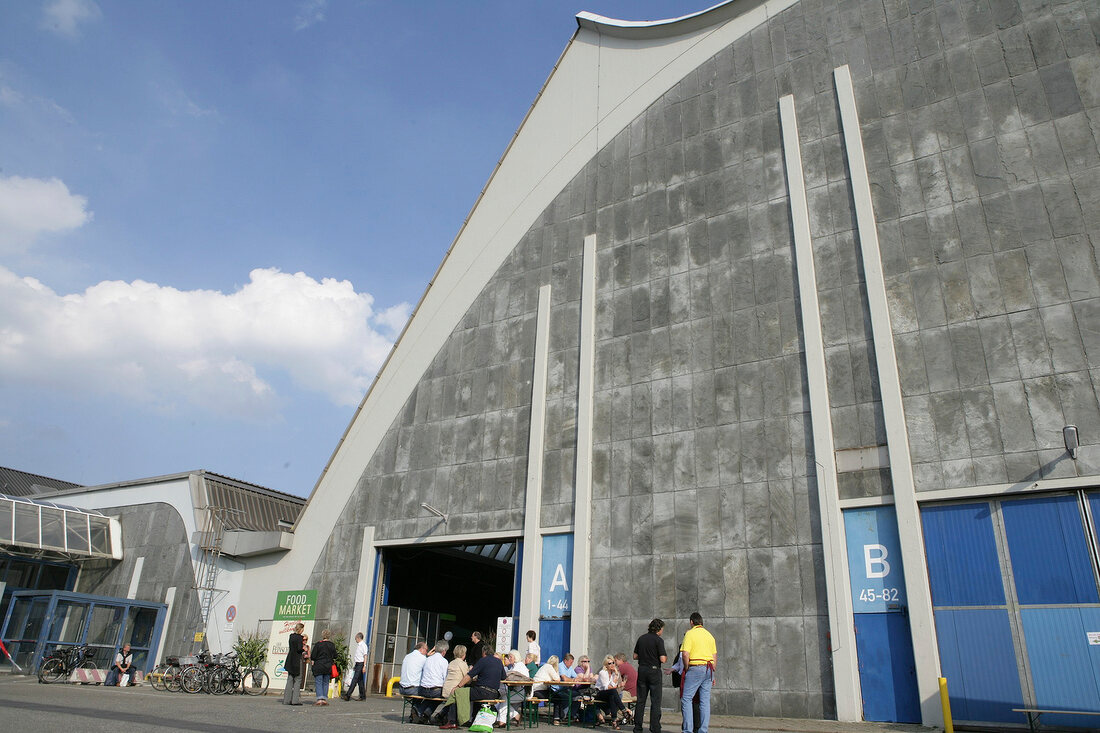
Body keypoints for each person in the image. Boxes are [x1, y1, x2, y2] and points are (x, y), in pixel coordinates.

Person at [438, 643, 505, 730]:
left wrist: (458, 686)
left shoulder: (482, 660)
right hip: (494, 693)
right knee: (474, 696)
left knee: (457, 692)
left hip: (482, 691)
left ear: (483, 652)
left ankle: (452, 721)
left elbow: (469, 675)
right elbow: (503, 677)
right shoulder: (499, 662)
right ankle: (473, 720)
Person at [679, 613, 716, 733]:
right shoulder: (709, 635)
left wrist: (687, 667)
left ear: (691, 622)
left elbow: (685, 654)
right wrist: (713, 673)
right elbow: (714, 656)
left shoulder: (690, 633)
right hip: (709, 668)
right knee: (704, 701)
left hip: (696, 666)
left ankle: (688, 730)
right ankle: (703, 730)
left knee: (686, 699)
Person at [632, 617, 667, 733]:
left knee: (641, 700)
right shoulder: (658, 640)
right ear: (659, 629)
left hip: (642, 670)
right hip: (654, 671)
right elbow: (663, 659)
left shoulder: (641, 638)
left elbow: (635, 656)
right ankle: (655, 727)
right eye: (662, 629)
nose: (662, 631)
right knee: (655, 701)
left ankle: (637, 727)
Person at [418, 640, 449, 719]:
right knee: (440, 697)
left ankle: (419, 710)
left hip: (423, 689)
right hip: (435, 690)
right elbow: (445, 677)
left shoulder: (427, 659)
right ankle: (427, 713)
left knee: (429, 698)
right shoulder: (444, 661)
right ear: (444, 651)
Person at [399, 641, 429, 722]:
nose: (426, 652)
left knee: (418, 686)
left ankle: (414, 713)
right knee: (429, 693)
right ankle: (417, 711)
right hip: (412, 689)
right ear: (422, 649)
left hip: (402, 688)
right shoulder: (423, 658)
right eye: (426, 650)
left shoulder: (407, 656)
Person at [595, 655, 628, 728]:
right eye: (609, 663)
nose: (612, 664)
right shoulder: (602, 672)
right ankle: (623, 710)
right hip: (600, 693)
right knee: (613, 692)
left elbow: (613, 687)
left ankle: (614, 721)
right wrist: (616, 683)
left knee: (612, 696)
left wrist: (616, 675)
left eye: (613, 662)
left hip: (610, 693)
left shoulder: (615, 673)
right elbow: (606, 687)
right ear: (606, 665)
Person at [310, 628, 337, 706]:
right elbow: (335, 655)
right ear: (329, 636)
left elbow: (313, 655)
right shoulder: (332, 645)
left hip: (319, 665)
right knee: (325, 682)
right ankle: (324, 699)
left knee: (319, 682)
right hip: (328, 666)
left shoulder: (318, 644)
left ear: (322, 635)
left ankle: (319, 699)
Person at [282, 623, 306, 706]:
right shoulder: (300, 638)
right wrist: (303, 649)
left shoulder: (291, 636)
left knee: (289, 679)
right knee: (298, 680)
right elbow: (299, 649)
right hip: (297, 660)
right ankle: (295, 700)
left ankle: (286, 700)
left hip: (290, 659)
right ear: (301, 629)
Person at [550, 654, 578, 724]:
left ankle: (571, 715)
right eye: (570, 662)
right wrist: (573, 680)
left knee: (578, 696)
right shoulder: (560, 666)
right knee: (566, 697)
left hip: (565, 689)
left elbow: (577, 678)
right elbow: (564, 678)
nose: (571, 664)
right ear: (565, 661)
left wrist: (573, 679)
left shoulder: (570, 668)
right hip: (556, 689)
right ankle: (562, 716)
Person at [342, 632, 368, 701]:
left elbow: (365, 656)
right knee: (360, 681)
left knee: (354, 679)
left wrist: (364, 666)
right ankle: (363, 696)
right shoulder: (359, 645)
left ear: (358, 638)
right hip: (358, 664)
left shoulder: (363, 645)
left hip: (361, 664)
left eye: (356, 638)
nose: (355, 640)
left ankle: (348, 695)